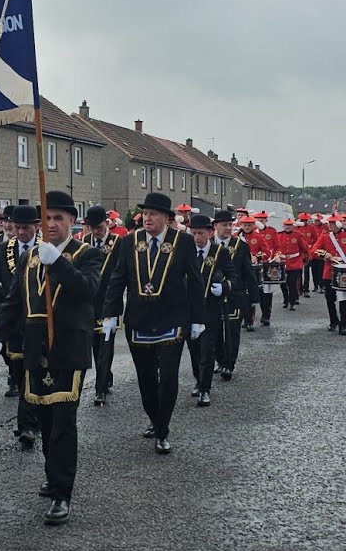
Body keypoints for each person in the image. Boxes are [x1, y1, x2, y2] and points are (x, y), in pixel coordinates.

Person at [0, 191, 103, 525]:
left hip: (69, 349)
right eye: (48, 218)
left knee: (63, 423)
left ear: (72, 222)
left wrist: (59, 263)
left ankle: (62, 493)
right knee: (45, 420)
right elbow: (13, 301)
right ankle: (54, 475)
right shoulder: (30, 258)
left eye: (59, 218)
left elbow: (88, 291)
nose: (52, 224)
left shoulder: (86, 254)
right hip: (34, 348)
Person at [101, 191, 205, 454]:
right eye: (145, 214)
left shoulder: (182, 242)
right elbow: (117, 279)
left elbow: (194, 281)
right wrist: (111, 313)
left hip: (172, 318)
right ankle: (154, 418)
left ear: (166, 219)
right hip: (139, 320)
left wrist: (198, 319)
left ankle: (163, 429)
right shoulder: (128, 242)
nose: (147, 218)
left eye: (153, 214)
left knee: (168, 378)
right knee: (146, 380)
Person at [0, 204, 41, 444]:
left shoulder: (47, 249)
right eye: (18, 228)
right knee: (20, 372)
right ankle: (29, 421)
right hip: (12, 320)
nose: (20, 232)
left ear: (36, 226)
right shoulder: (3, 250)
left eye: (26, 228)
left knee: (35, 373)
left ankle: (30, 423)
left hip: (41, 323)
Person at [184, 215, 232, 407]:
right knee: (194, 349)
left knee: (207, 350)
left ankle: (205, 389)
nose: (197, 238)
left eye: (201, 233)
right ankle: (198, 380)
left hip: (210, 308)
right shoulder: (185, 251)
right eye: (194, 233)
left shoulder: (219, 252)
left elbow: (233, 275)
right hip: (188, 309)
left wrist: (225, 287)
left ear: (210, 233)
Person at [77, 205, 120, 406]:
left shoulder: (118, 243)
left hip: (108, 302)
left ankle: (100, 389)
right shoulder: (84, 243)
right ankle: (106, 374)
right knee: (93, 344)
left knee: (105, 346)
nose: (96, 231)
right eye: (92, 228)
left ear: (107, 223)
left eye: (100, 227)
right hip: (88, 303)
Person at [212, 210, 256, 381]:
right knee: (214, 331)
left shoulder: (241, 245)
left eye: (230, 224)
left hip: (234, 294)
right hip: (212, 295)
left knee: (232, 332)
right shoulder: (208, 244)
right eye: (224, 225)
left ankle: (229, 365)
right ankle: (220, 360)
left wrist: (253, 297)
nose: (228, 228)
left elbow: (247, 271)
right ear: (215, 226)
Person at [277, 220, 306, 310]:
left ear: (293, 226)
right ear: (283, 226)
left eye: (289, 225)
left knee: (292, 283)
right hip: (282, 262)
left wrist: (303, 260)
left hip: (295, 262)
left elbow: (304, 248)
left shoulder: (298, 235)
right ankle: (286, 299)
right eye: (286, 225)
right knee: (282, 283)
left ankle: (292, 302)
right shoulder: (279, 235)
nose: (287, 227)